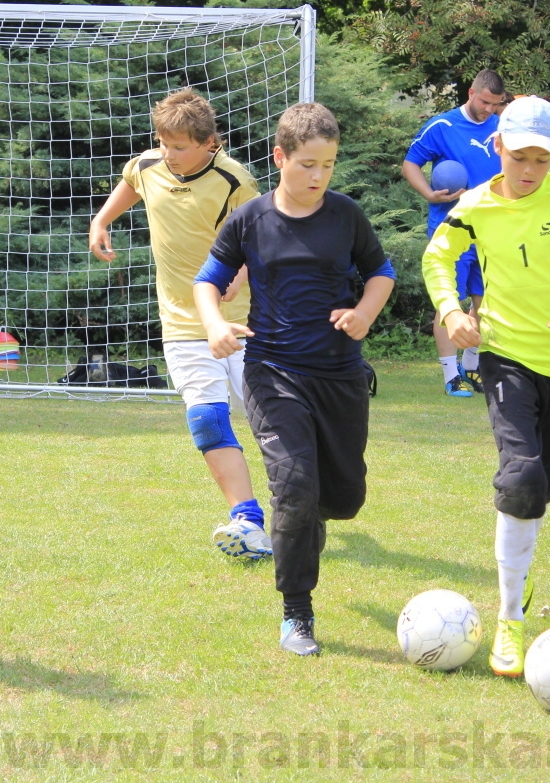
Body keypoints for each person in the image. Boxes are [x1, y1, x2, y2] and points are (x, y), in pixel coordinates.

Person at [421, 96, 550, 677]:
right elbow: (437, 260)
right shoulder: (474, 206)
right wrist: (450, 310)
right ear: (498, 148)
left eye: (542, 159)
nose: (530, 170)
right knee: (522, 478)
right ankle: (511, 618)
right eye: (520, 157)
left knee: (543, 485)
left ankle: (522, 564)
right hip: (505, 357)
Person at [193, 102, 395, 655]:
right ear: (280, 157)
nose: (318, 176)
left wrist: (363, 315)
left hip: (340, 375)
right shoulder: (251, 219)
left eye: (328, 165)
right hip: (273, 372)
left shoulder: (346, 216)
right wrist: (214, 324)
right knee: (295, 487)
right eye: (308, 164)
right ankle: (296, 612)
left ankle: (304, 520)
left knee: (344, 497)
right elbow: (207, 280)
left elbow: (381, 272)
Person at [89, 89, 271, 560]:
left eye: (179, 146)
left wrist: (240, 275)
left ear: (210, 142)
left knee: (270, 420)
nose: (169, 154)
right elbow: (133, 183)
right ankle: (248, 520)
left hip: (240, 321)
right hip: (181, 323)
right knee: (208, 419)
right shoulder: (148, 164)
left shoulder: (236, 182)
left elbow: (262, 240)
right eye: (163, 143)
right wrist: (103, 220)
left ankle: (306, 497)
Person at [402, 69, 507, 398]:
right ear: (471, 92)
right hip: (452, 229)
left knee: (486, 303)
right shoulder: (443, 126)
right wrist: (429, 195)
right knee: (450, 303)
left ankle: (472, 367)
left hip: (492, 229)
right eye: (486, 101)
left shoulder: (502, 128)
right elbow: (410, 164)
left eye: (496, 104)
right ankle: (451, 375)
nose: (490, 109)